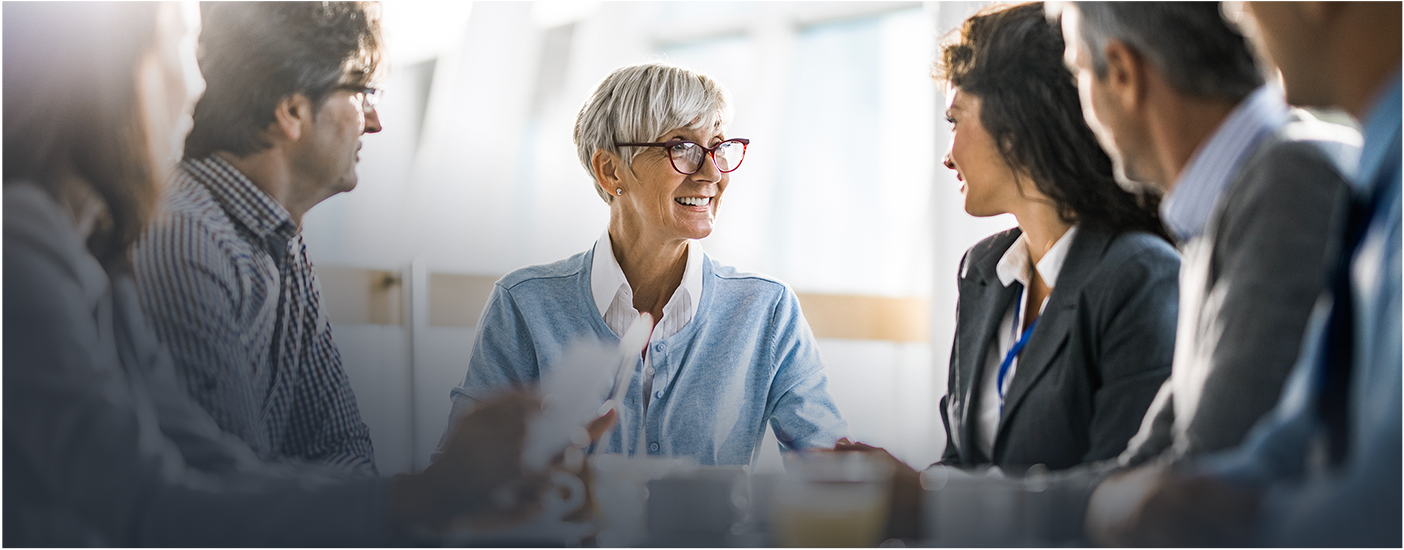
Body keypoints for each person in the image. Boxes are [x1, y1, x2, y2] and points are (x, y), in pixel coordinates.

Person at [2, 2, 550, 545]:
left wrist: (437, 508)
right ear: (114, 66)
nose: (198, 84)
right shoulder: (42, 244)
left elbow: (224, 464)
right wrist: (425, 497)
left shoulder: (108, 251)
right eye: (181, 45)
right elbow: (159, 502)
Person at [1085, 1, 1403, 547]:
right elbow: (1285, 442)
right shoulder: (1370, 179)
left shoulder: (1293, 179)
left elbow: (1384, 502)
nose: (1232, 12)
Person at [442, 62, 848, 466]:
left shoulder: (767, 307)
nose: (712, 173)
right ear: (610, 170)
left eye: (718, 146)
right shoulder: (524, 304)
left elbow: (832, 471)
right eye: (682, 148)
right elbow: (458, 476)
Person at [131, 1, 381, 474]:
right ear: (292, 110)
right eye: (361, 92)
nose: (373, 121)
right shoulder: (185, 241)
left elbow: (344, 443)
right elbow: (227, 494)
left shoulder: (281, 235)